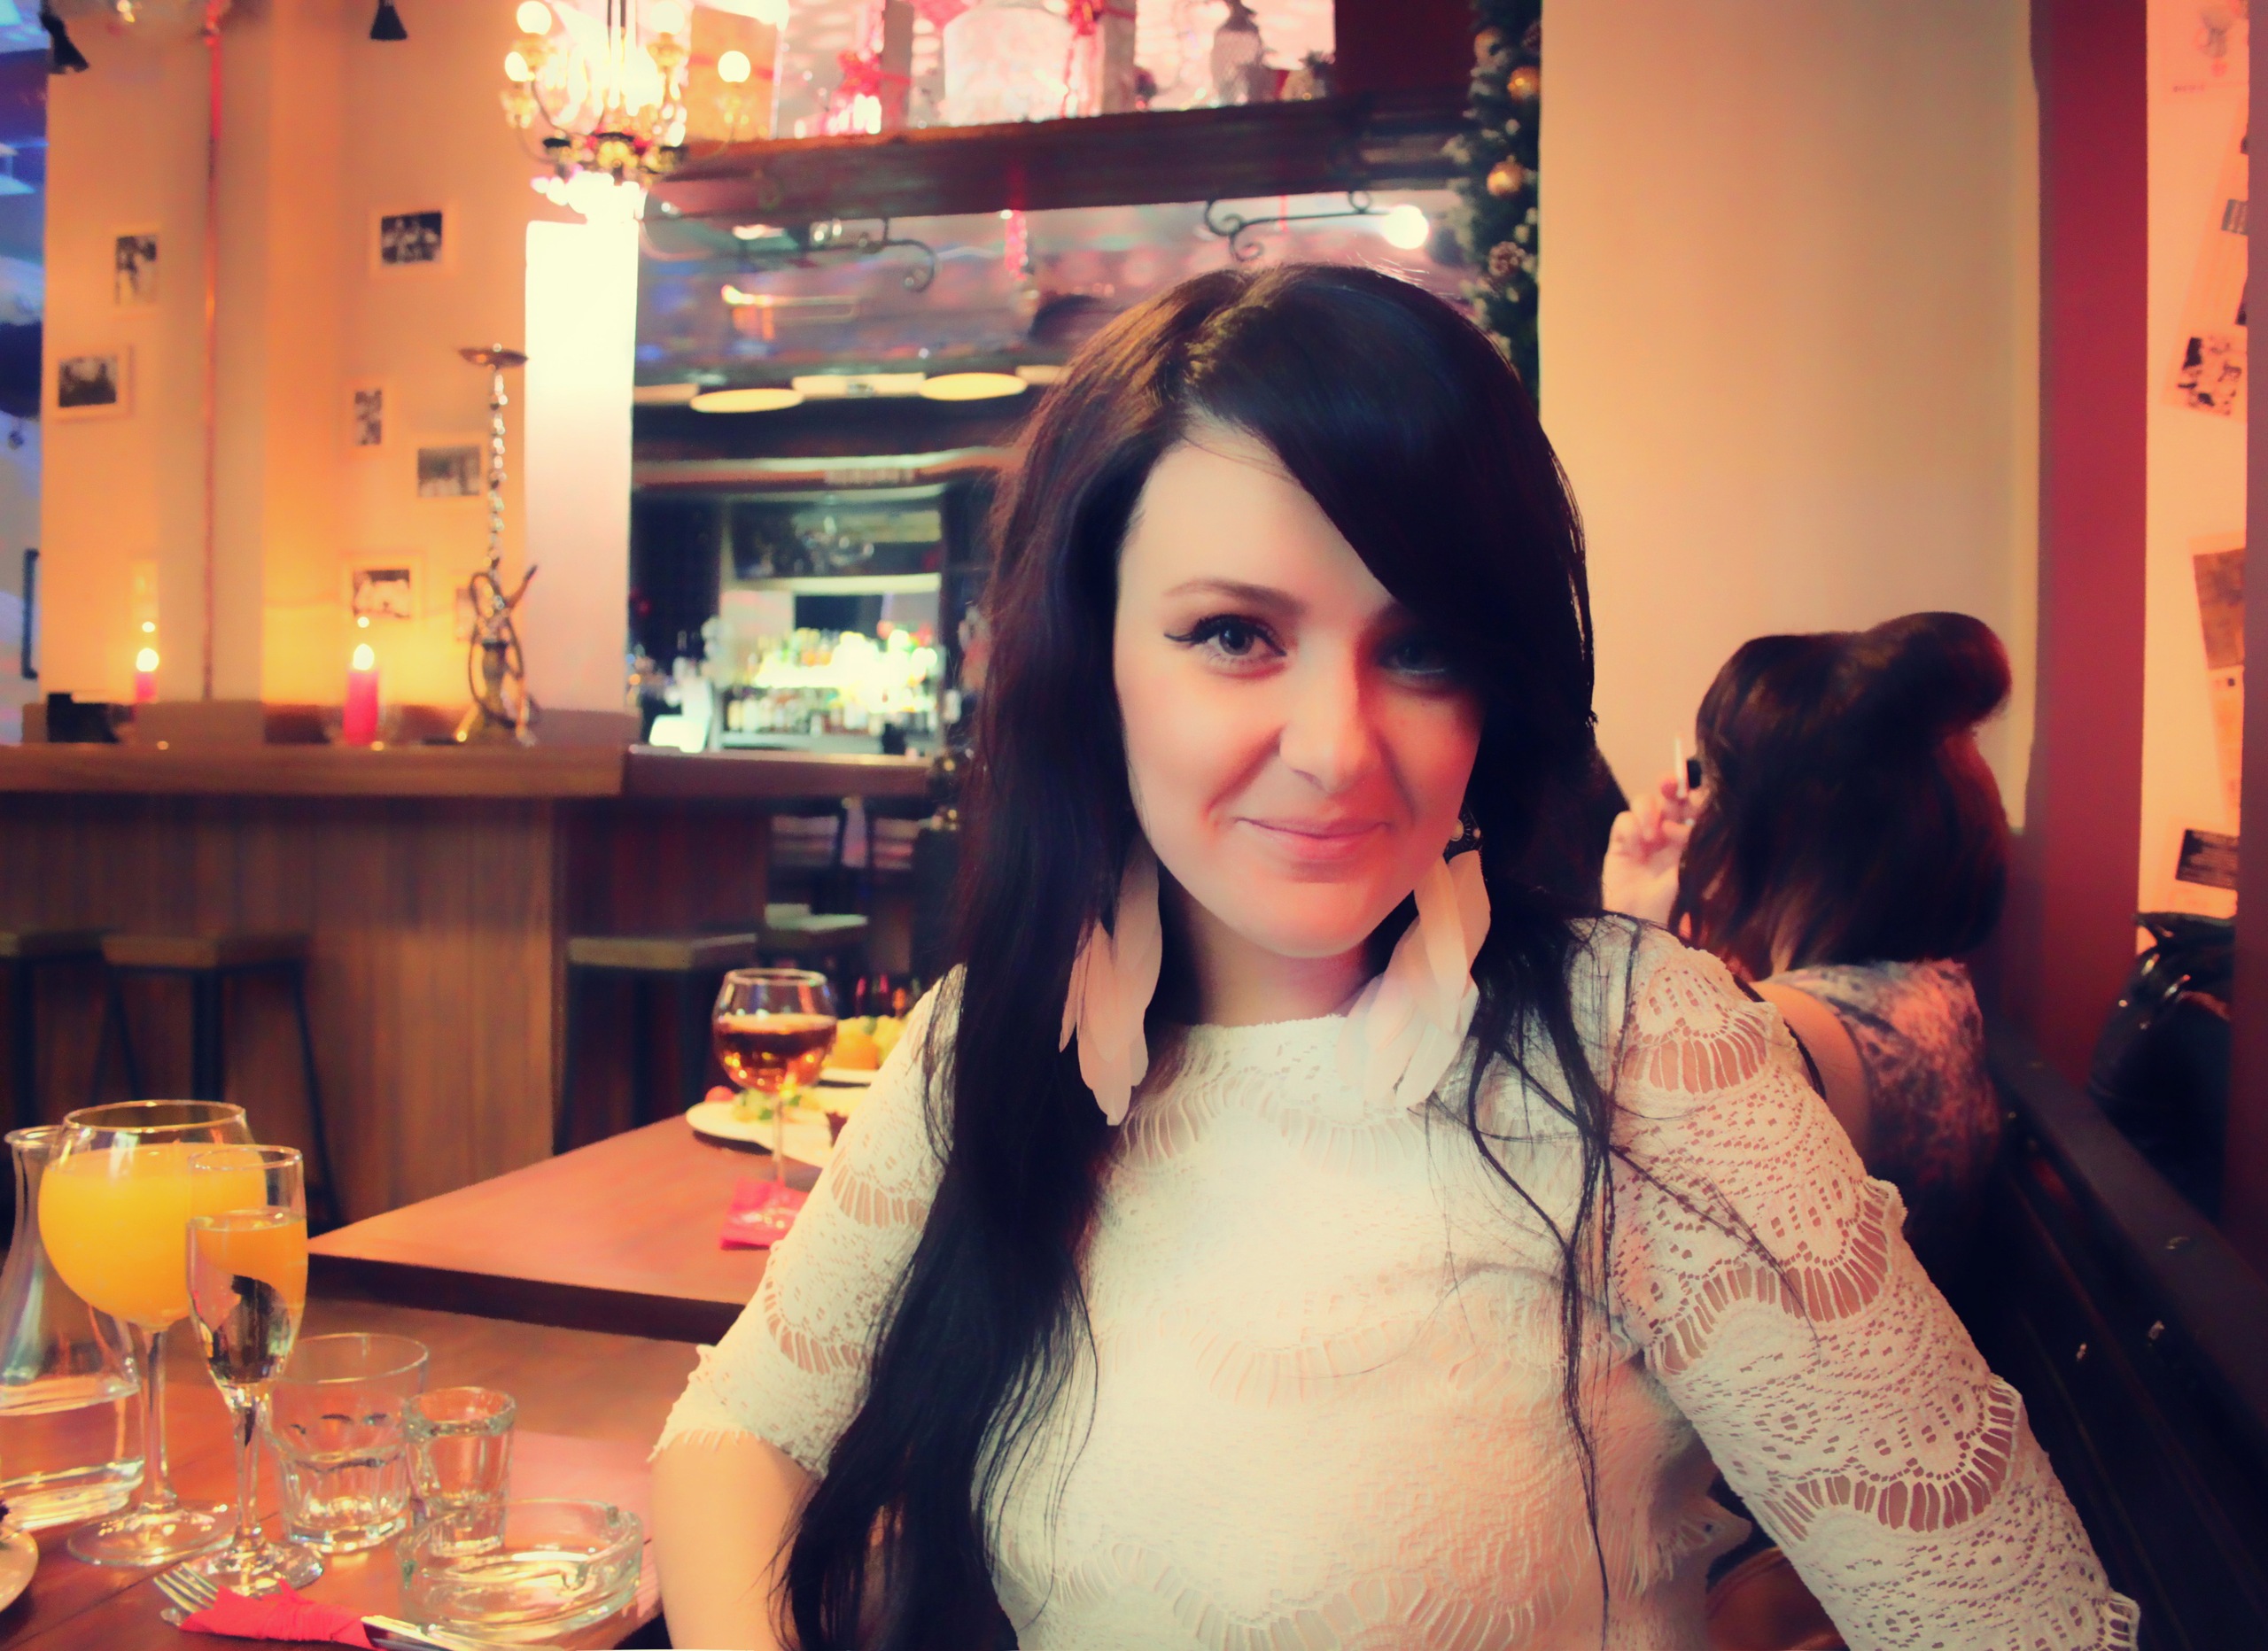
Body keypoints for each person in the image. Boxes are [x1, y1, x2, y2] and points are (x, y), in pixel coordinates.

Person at [650, 268, 2131, 1650]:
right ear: (1092, 660)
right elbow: (737, 1431)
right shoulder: (991, 1043)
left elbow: (2015, 1620)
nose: (1338, 748)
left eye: (1420, 650)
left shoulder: (1640, 1054)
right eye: (1236, 634)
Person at [1602, 614, 2013, 1279]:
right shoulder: (1927, 992)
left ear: (1775, 827)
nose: (1703, 813)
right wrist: (1652, 918)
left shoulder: (1778, 1042)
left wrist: (1628, 919)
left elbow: (1607, 1201)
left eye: (1718, 785)